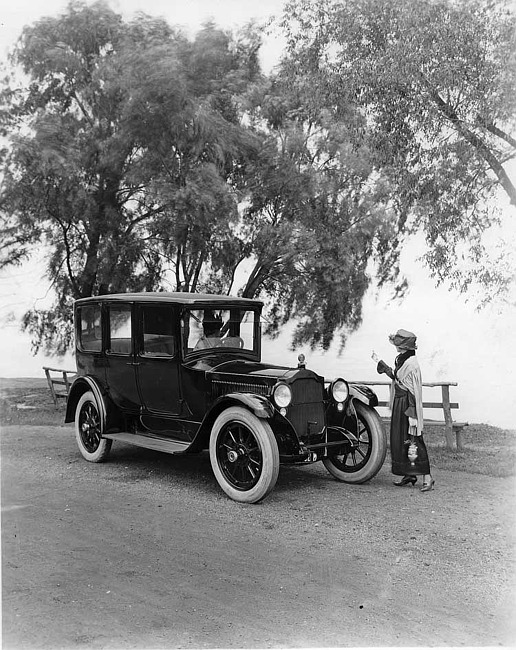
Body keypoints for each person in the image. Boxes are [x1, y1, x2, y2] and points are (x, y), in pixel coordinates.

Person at [372, 329, 435, 492]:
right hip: (400, 402)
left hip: (408, 404)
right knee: (400, 438)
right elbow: (396, 376)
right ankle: (409, 474)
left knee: (414, 439)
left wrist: (413, 414)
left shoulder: (411, 364)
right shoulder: (402, 359)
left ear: (406, 347)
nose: (396, 347)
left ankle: (427, 476)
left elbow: (411, 388)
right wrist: (379, 362)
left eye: (399, 345)